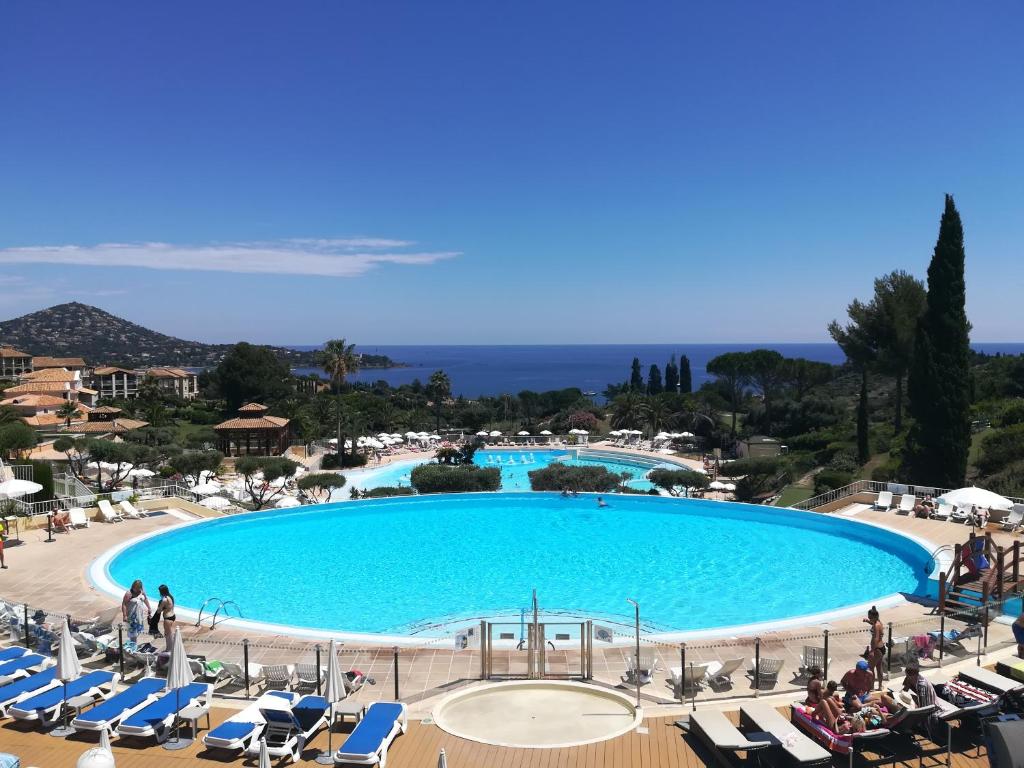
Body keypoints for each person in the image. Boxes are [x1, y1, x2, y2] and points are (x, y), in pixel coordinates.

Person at [121, 580, 151, 646]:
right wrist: (124, 615)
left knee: (137, 632)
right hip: (131, 617)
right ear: (133, 586)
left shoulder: (141, 592)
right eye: (135, 587)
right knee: (133, 634)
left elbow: (145, 599)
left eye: (137, 588)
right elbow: (124, 604)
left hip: (139, 616)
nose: (136, 589)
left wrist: (149, 608)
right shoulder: (129, 593)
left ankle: (132, 644)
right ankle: (133, 647)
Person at [864, 606, 885, 689]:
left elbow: (876, 638)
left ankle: (871, 686)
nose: (869, 618)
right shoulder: (878, 622)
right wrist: (867, 621)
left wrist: (872, 651)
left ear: (875, 617)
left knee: (871, 668)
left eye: (870, 617)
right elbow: (873, 622)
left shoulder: (876, 625)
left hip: (876, 649)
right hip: (881, 648)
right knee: (879, 667)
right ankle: (880, 686)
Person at [155, 584, 176, 651]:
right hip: (172, 616)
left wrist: (159, 605)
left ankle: (169, 649)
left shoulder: (164, 600)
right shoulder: (170, 597)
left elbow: (159, 611)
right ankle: (170, 648)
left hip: (167, 618)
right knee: (168, 633)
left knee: (168, 634)